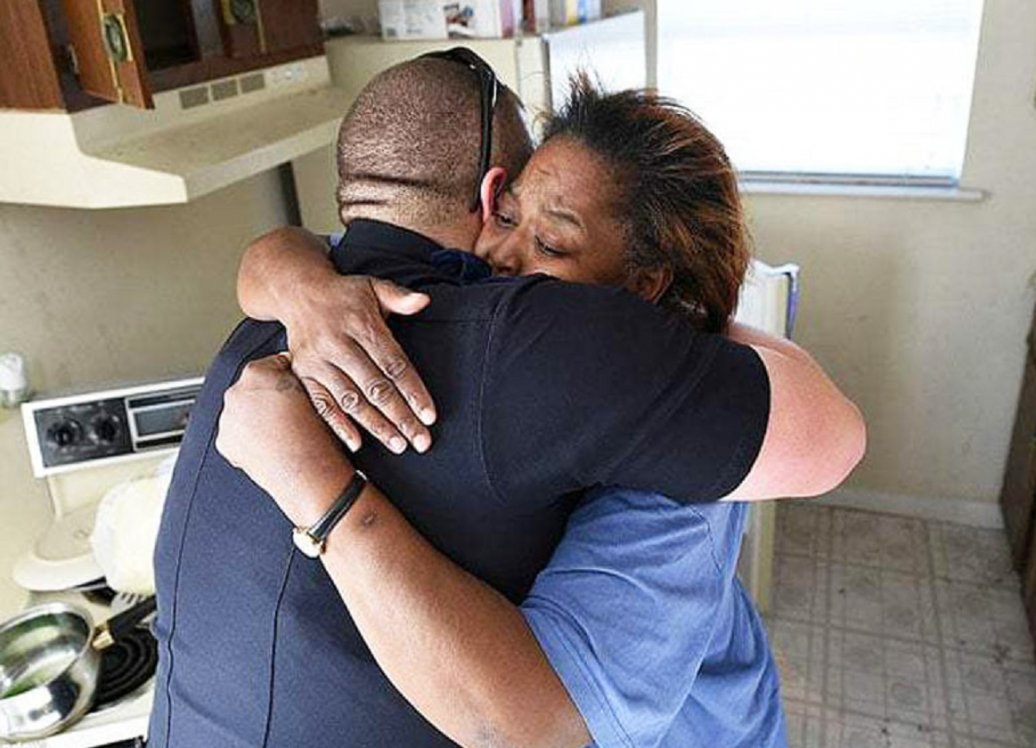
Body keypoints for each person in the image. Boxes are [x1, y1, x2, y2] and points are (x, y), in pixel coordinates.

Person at [152, 53, 863, 748]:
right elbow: (299, 248)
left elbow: (529, 726)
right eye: (507, 214)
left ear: (645, 292)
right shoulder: (415, 303)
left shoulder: (672, 471)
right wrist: (300, 282)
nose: (502, 257)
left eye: (552, 242)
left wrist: (316, 487)